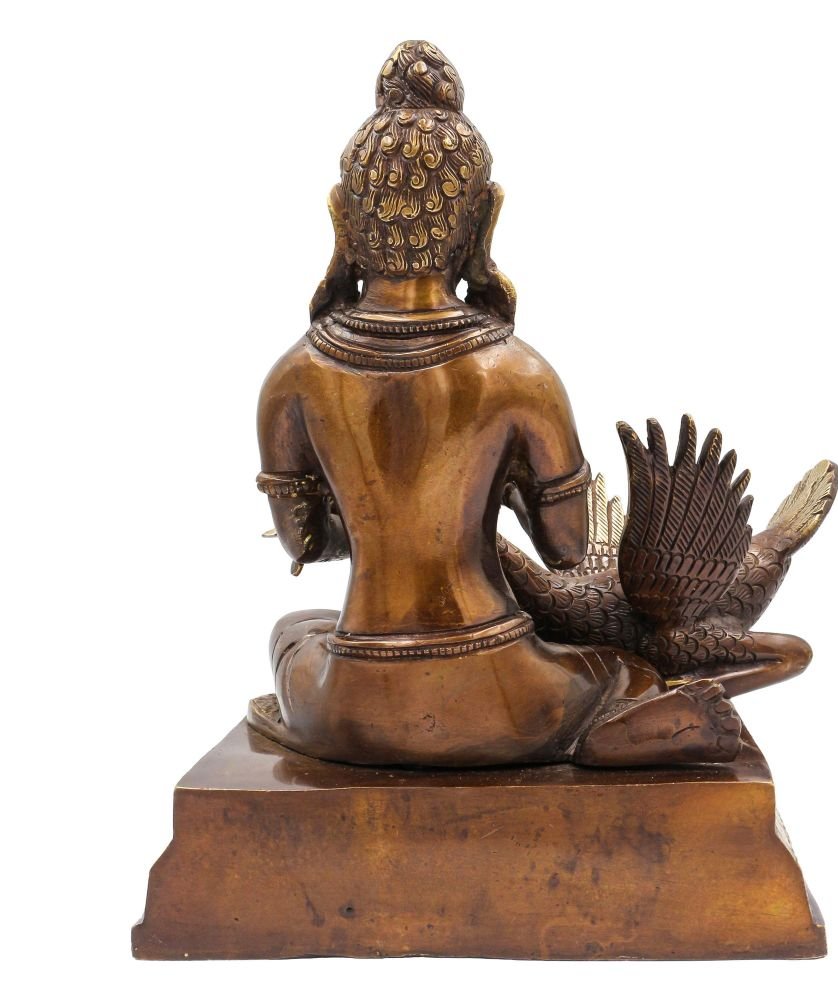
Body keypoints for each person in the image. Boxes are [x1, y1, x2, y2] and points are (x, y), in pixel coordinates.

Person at [248, 41, 742, 767]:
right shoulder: (519, 375)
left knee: (295, 631)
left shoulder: (292, 378)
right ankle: (606, 731)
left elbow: (305, 546)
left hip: (353, 704)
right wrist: (501, 491)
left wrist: (371, 516)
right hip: (504, 696)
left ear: (343, 218)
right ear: (483, 218)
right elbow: (567, 550)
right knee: (627, 671)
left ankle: (356, 726)